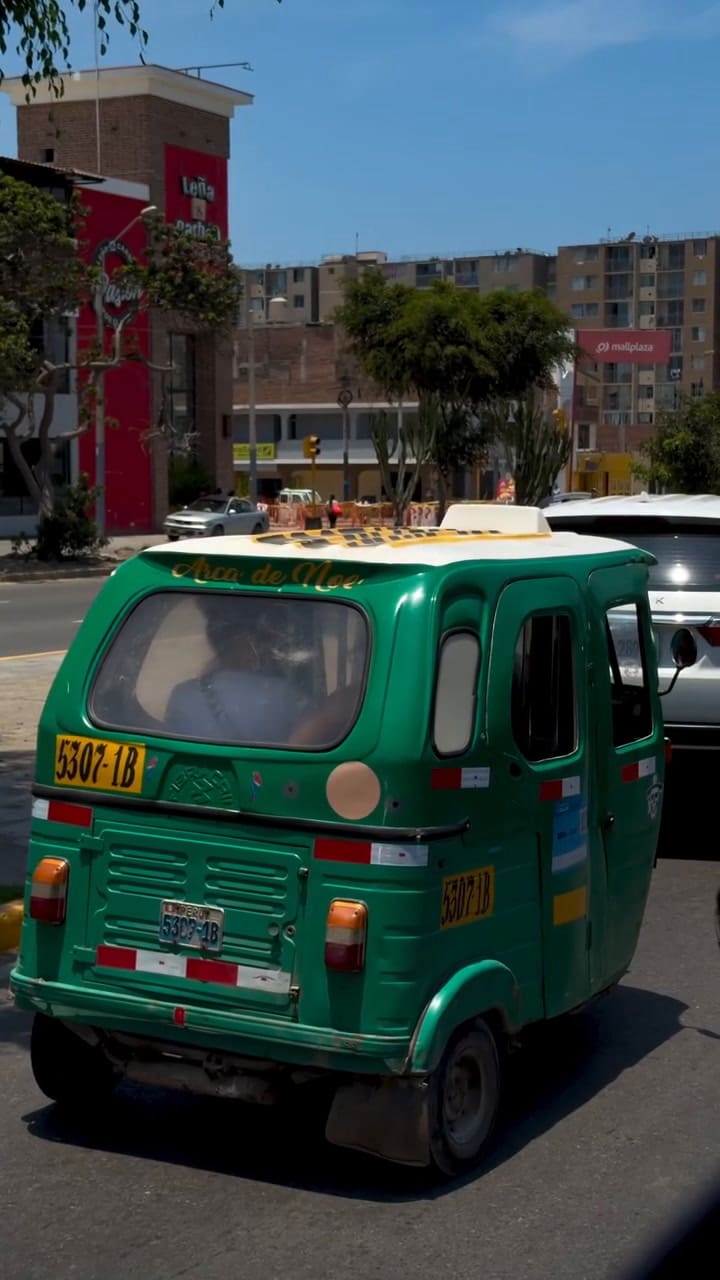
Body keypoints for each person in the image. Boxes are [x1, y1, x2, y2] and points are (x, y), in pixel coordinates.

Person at [164, 603, 304, 744]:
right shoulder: (283, 694)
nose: (274, 648)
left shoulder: (182, 694)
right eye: (268, 639)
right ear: (250, 643)